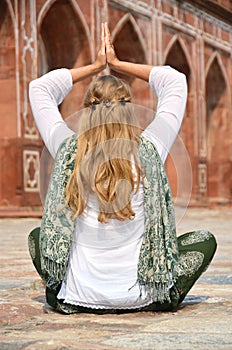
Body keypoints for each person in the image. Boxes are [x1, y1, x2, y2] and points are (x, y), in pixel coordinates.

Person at [28, 23, 217, 314]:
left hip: (77, 297)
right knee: (203, 241)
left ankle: (64, 292)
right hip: (142, 296)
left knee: (39, 236)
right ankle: (163, 295)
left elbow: (39, 88)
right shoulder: (151, 150)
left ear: (87, 109)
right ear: (129, 109)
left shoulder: (68, 151)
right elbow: (174, 81)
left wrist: (94, 67)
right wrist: (117, 64)